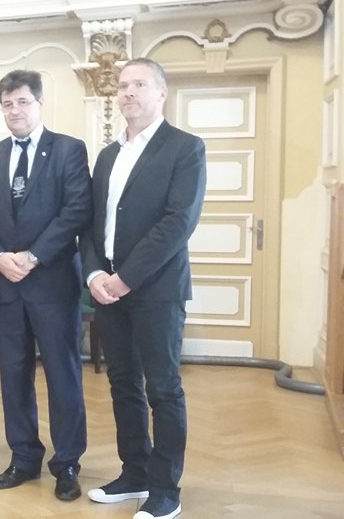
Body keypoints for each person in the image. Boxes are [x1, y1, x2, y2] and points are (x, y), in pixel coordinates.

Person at [80, 58, 206, 519]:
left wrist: (125, 278)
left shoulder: (185, 148)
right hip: (108, 289)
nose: (128, 92)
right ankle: (134, 472)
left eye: (139, 84)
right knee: (122, 382)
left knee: (163, 388)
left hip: (156, 290)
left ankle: (165, 488)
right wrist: (95, 275)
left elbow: (178, 222)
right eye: (122, 85)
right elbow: (91, 223)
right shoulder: (108, 155)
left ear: (161, 93)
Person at [0, 69, 92, 500]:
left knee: (63, 376)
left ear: (39, 103)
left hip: (52, 284)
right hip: (6, 286)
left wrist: (33, 256)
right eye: (7, 104)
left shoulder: (68, 149)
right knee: (14, 376)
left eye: (22, 102)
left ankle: (67, 462)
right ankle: (23, 457)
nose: (15, 110)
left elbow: (76, 211)